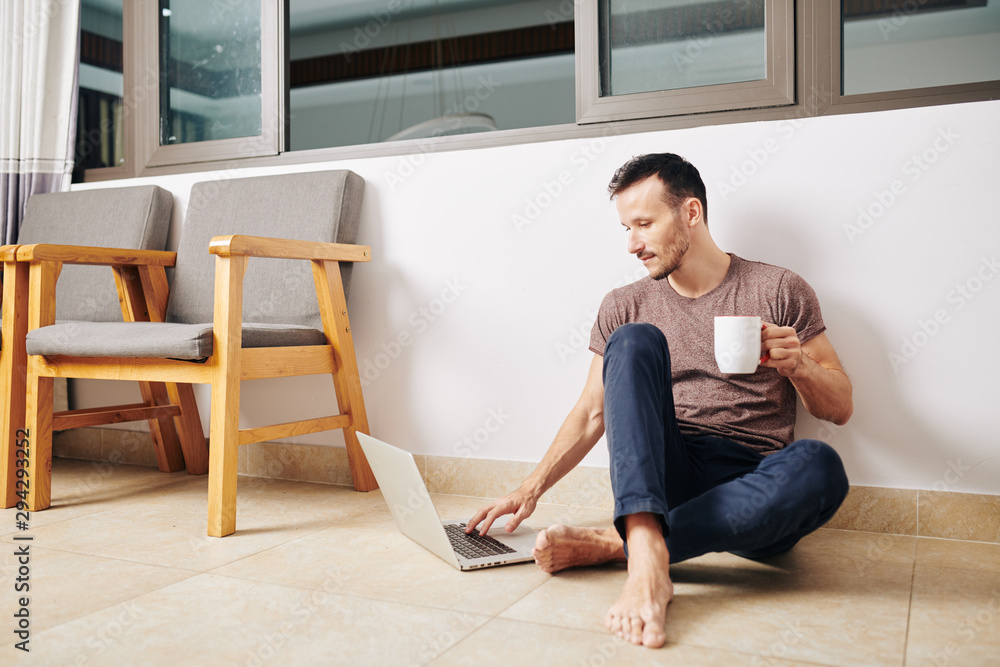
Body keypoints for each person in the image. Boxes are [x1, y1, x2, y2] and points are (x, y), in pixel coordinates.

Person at [466, 153, 852, 649]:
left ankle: (621, 545)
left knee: (821, 466)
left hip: (755, 481)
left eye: (644, 224)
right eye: (626, 228)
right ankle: (647, 545)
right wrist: (529, 488)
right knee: (632, 339)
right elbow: (593, 412)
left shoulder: (779, 288)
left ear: (691, 213)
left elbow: (840, 407)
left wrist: (798, 365)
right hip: (664, 473)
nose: (632, 244)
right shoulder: (624, 305)